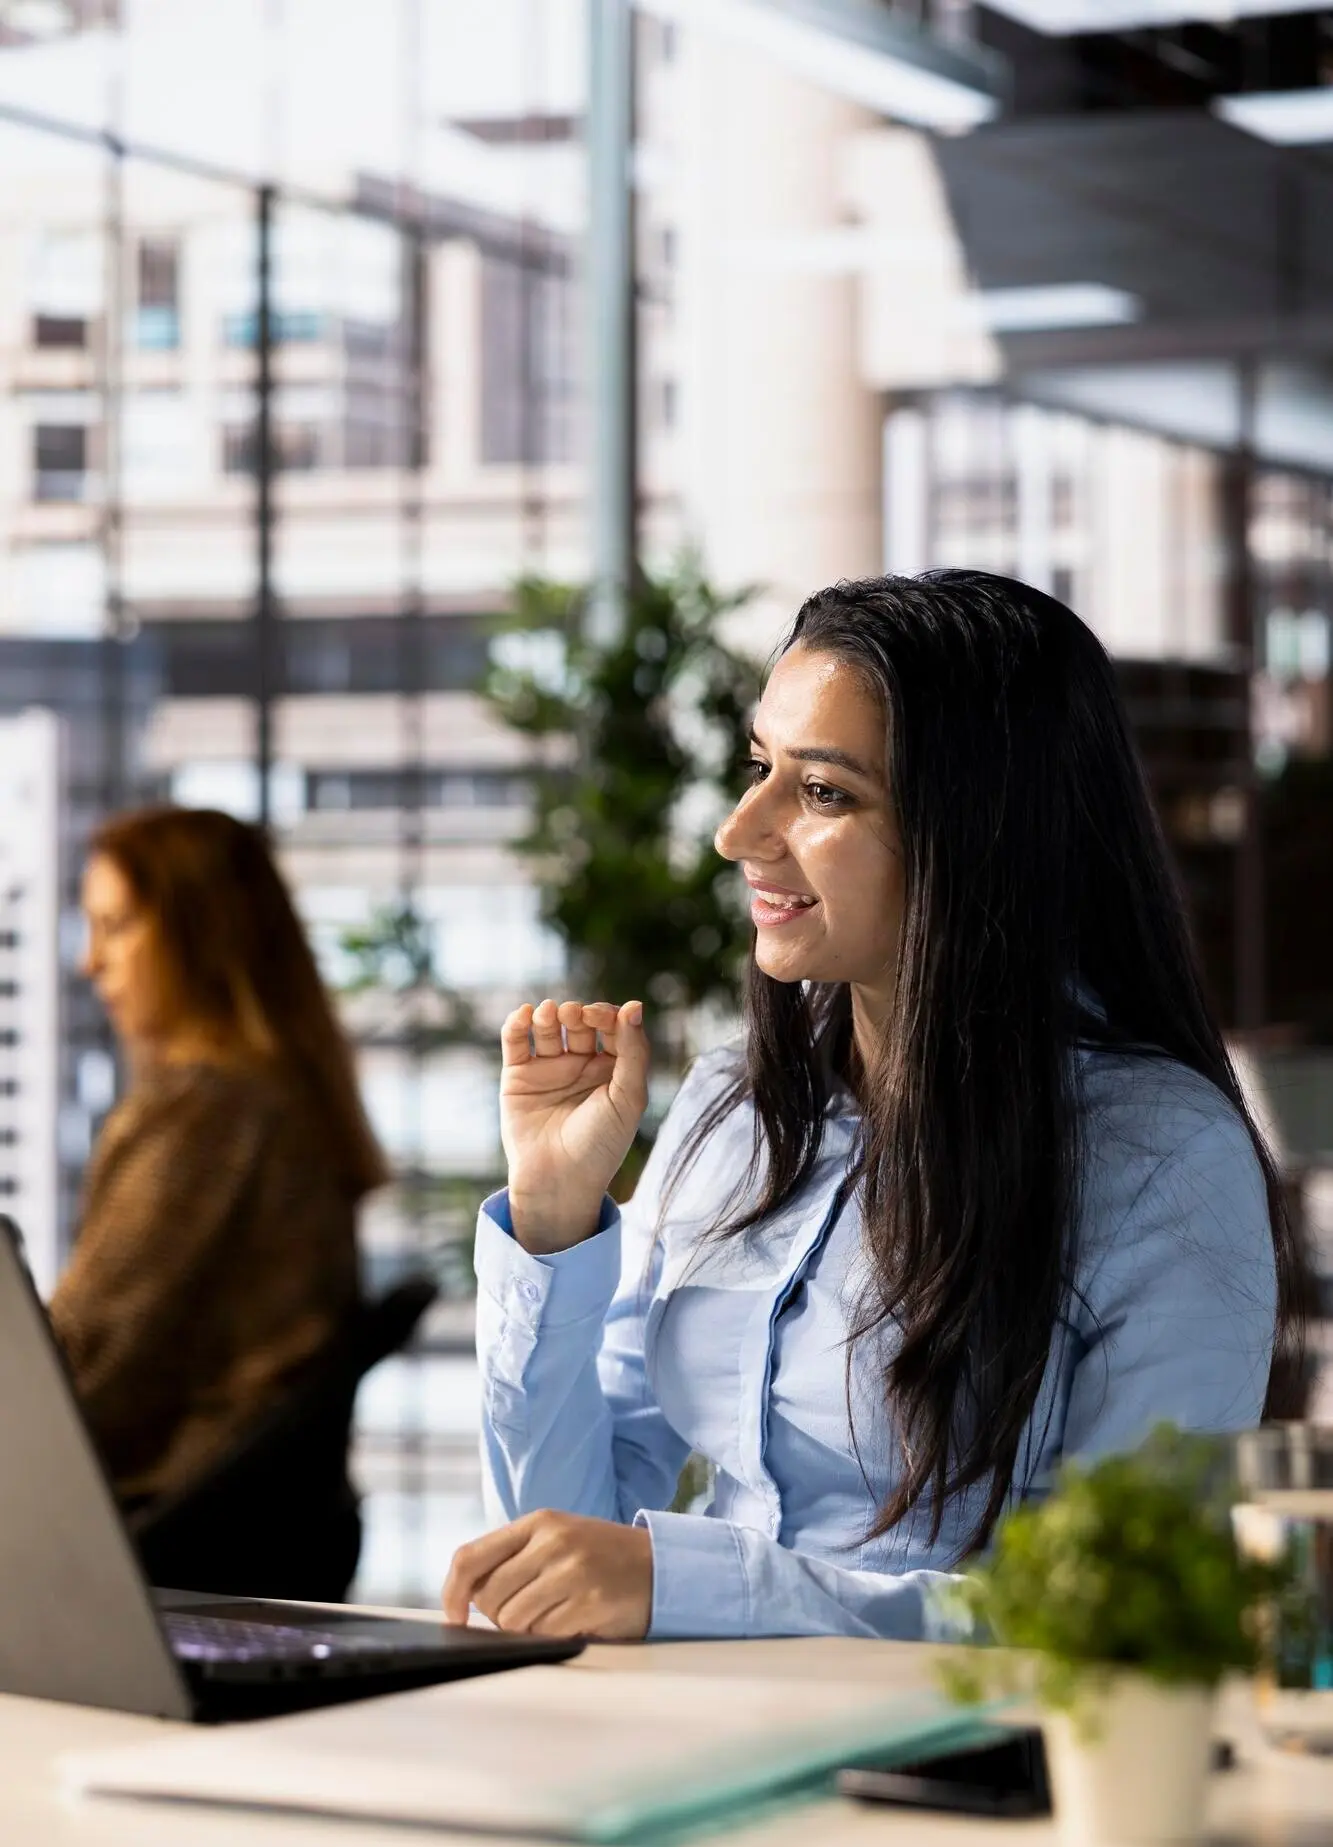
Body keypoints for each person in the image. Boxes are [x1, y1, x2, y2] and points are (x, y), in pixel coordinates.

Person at [442, 571, 1296, 1644]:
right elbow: (555, 1546)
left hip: (960, 1777)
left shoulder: (1162, 1157)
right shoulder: (731, 1105)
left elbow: (1129, 1614)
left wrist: (696, 1588)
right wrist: (554, 1219)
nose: (739, 831)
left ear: (977, 832)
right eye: (759, 768)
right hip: (678, 1734)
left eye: (824, 792)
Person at [51, 804, 387, 1523]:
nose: (91, 960)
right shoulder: (281, 1099)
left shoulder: (209, 1114)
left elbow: (82, 1376)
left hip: (160, 1530)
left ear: (197, 935)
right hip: (240, 1524)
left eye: (115, 926)